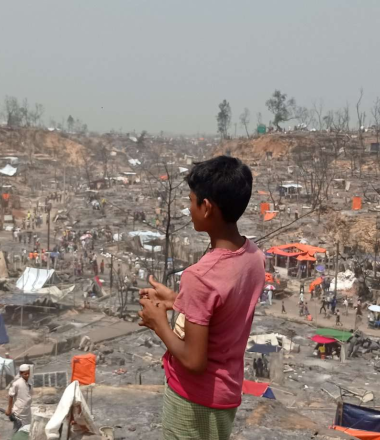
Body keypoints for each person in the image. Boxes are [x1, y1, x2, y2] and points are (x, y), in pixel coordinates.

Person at [138, 156, 265, 440]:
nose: (188, 207)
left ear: (206, 208)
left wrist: (159, 322)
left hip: (193, 400)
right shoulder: (254, 256)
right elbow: (224, 309)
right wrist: (176, 300)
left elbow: (194, 361)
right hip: (226, 394)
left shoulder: (201, 275)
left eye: (191, 201)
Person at [6, 365, 33, 433]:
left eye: (28, 373)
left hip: (27, 411)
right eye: (25, 374)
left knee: (26, 429)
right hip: (19, 412)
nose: (27, 375)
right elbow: (11, 396)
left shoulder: (29, 382)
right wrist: (9, 409)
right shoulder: (16, 383)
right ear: (21, 373)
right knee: (17, 430)